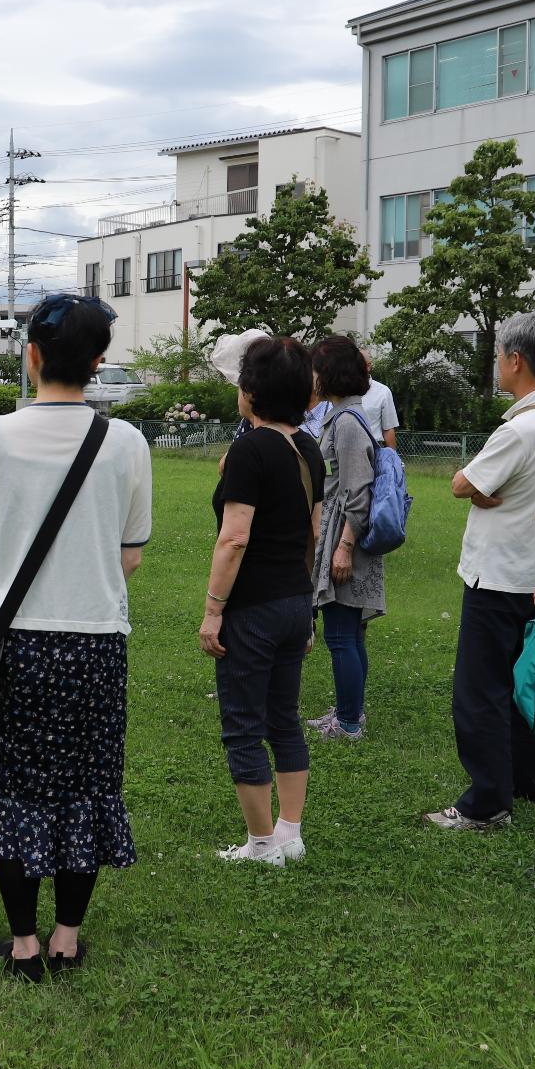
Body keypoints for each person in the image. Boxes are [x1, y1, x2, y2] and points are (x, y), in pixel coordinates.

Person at [0, 292, 152, 981]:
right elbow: (130, 554)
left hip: (15, 647)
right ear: (97, 363)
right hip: (95, 644)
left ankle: (24, 943)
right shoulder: (125, 442)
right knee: (86, 787)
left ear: (31, 354)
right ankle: (67, 935)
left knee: (12, 789)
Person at [425, 312, 535, 832]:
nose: (497, 365)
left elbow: (462, 483)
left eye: (499, 356)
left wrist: (481, 488)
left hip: (499, 575)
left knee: (480, 690)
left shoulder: (520, 426)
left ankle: (487, 802)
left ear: (516, 360)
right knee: (528, 681)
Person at [198, 337, 325, 864]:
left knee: (244, 725)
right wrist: (308, 606)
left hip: (252, 608)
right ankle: (288, 832)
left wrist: (212, 611)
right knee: (284, 718)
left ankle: (261, 844)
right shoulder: (309, 448)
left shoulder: (251, 448)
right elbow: (313, 534)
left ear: (250, 391)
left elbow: (234, 537)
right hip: (295, 602)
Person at [307, 334, 383, 741]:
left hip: (345, 539)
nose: (311, 377)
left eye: (316, 369)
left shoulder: (349, 424)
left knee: (341, 635)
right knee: (349, 633)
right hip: (340, 536)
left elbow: (359, 491)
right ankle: (349, 710)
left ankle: (349, 722)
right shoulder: (341, 417)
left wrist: (344, 548)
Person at [361, 352, 401, 449]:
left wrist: (391, 460)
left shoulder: (383, 391)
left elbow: (388, 429)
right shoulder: (341, 392)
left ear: (368, 366)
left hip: (374, 451)